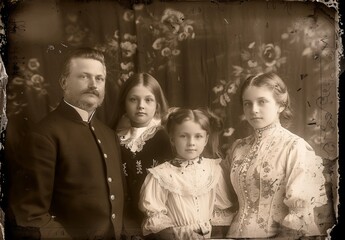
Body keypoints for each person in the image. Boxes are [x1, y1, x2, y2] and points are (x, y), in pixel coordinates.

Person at [6, 48, 124, 239]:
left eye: (99, 79)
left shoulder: (109, 135)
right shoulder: (44, 135)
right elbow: (30, 214)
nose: (93, 85)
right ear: (63, 82)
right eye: (84, 77)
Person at [224, 72, 328, 238]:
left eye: (262, 102)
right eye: (247, 104)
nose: (254, 110)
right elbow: (224, 199)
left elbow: (300, 214)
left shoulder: (295, 147)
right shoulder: (238, 148)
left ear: (281, 105)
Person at [139, 108, 233, 240]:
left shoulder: (214, 170)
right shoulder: (161, 175)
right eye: (183, 136)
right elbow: (156, 216)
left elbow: (220, 213)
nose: (191, 143)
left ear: (206, 140)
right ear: (172, 139)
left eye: (198, 136)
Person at [115, 73, 173, 239]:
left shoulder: (166, 137)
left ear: (158, 105)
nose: (141, 106)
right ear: (124, 104)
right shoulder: (114, 138)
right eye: (133, 99)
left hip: (163, 222)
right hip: (125, 222)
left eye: (148, 100)